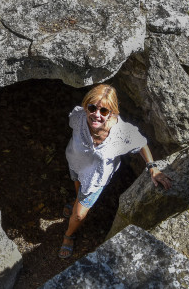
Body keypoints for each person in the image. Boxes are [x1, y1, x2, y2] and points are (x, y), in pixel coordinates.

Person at [59, 84, 172, 259]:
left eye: (104, 111)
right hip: (75, 163)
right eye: (92, 107)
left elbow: (141, 143)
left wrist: (152, 168)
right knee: (78, 187)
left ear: (113, 112)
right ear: (85, 106)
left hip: (96, 178)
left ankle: (68, 235)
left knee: (80, 215)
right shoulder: (78, 116)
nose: (96, 114)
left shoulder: (121, 133)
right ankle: (75, 201)